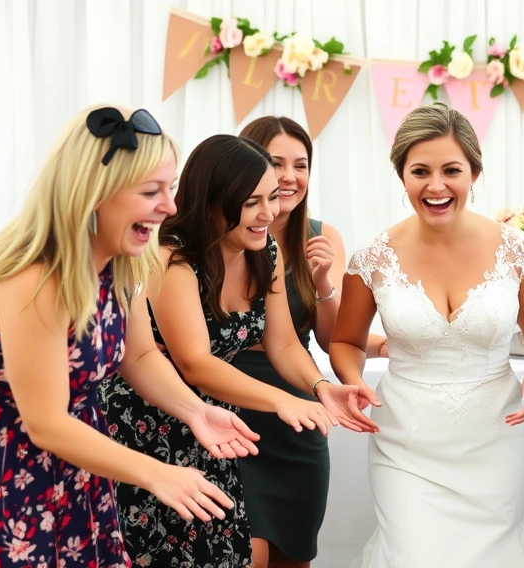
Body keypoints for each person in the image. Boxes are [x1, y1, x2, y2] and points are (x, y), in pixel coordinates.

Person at [0, 105, 260, 566]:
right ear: (95, 193)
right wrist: (157, 473)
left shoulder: (122, 262)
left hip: (81, 455)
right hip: (6, 468)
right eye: (151, 191)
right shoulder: (33, 282)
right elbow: (46, 423)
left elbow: (137, 357)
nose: (170, 207)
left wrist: (196, 411)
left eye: (170, 189)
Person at [101, 134, 378, 567]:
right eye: (253, 202)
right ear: (213, 201)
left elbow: (284, 343)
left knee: (226, 553)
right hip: (149, 421)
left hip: (212, 425)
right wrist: (282, 400)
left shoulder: (264, 251)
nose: (270, 213)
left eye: (271, 199)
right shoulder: (171, 259)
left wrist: (321, 386)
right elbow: (196, 363)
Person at [329, 103, 524, 567]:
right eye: (420, 171)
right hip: (405, 443)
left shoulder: (519, 250)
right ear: (402, 176)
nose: (436, 186)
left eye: (451, 170)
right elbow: (346, 342)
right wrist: (351, 376)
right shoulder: (372, 256)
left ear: (474, 172)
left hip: (495, 437)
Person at [234, 116, 387, 568]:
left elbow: (330, 336)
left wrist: (322, 282)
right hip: (230, 407)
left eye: (301, 165)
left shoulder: (321, 235)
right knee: (249, 554)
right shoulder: (223, 239)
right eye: (275, 162)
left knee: (293, 556)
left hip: (297, 410)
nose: (289, 176)